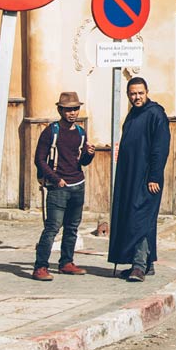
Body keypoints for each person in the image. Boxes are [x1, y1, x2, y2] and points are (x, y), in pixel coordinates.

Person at [32, 90, 106, 280]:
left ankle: (66, 262)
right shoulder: (51, 131)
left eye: (75, 109)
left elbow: (82, 162)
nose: (72, 112)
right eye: (68, 109)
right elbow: (39, 160)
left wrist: (90, 153)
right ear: (60, 110)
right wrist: (56, 179)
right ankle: (40, 267)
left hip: (78, 185)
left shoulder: (81, 132)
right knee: (52, 228)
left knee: (72, 228)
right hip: (59, 188)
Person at [108, 76, 171, 282]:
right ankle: (147, 263)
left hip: (147, 179)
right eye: (133, 94)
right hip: (130, 179)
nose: (137, 97)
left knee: (140, 220)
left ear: (147, 92)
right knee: (135, 218)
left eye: (140, 93)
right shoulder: (133, 115)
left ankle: (139, 266)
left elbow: (160, 149)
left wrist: (154, 176)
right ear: (128, 95)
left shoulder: (156, 114)